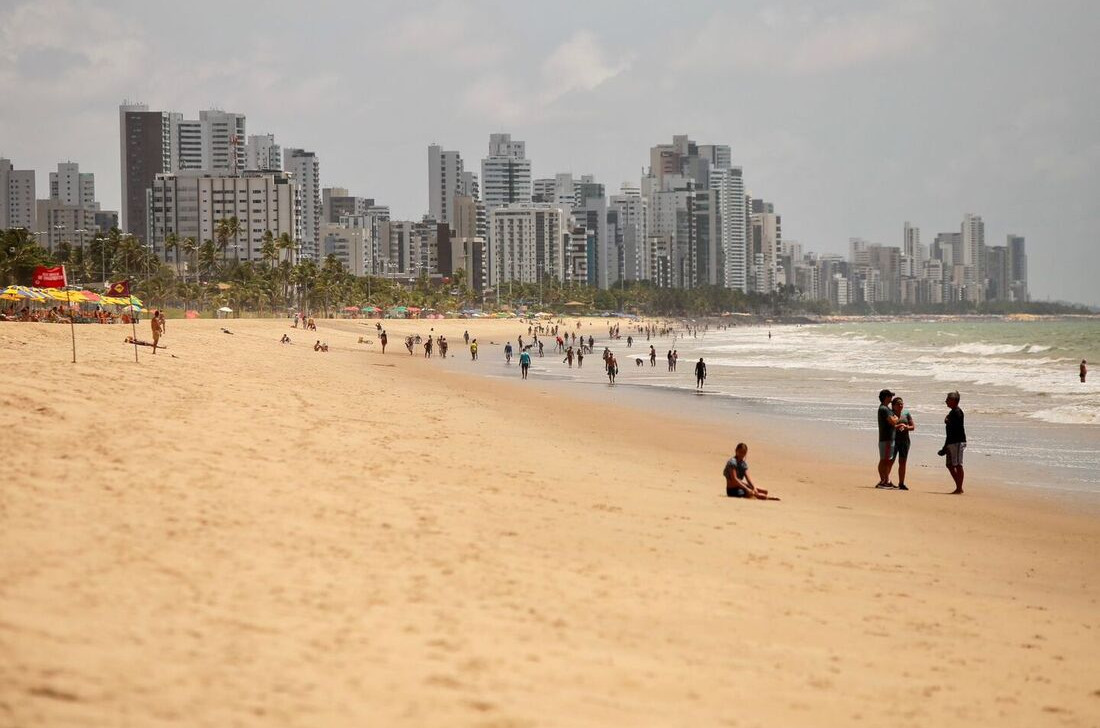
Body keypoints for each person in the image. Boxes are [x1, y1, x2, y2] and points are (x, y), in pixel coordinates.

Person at [940, 391, 966, 494]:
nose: (946, 401)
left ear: (954, 401)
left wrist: (947, 421)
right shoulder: (952, 412)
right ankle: (959, 486)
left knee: (958, 465)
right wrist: (945, 446)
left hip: (957, 442)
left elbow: (955, 428)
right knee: (950, 465)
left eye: (948, 399)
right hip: (951, 441)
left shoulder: (957, 412)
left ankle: (959, 488)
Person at [875, 388, 900, 488]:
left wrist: (895, 418)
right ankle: (883, 481)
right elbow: (893, 421)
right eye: (890, 396)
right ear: (886, 397)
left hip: (888, 438)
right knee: (884, 460)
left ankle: (886, 480)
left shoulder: (886, 408)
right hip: (886, 438)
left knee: (887, 460)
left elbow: (894, 419)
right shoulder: (884, 409)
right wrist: (896, 418)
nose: (891, 398)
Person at [891, 396, 916, 491]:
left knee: (902, 462)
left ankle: (901, 483)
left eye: (902, 404)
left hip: (905, 441)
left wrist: (906, 427)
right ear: (893, 406)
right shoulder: (891, 414)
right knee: (891, 461)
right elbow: (888, 427)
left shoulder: (906, 413)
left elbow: (913, 427)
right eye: (898, 404)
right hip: (893, 440)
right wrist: (897, 427)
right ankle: (886, 481)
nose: (900, 405)